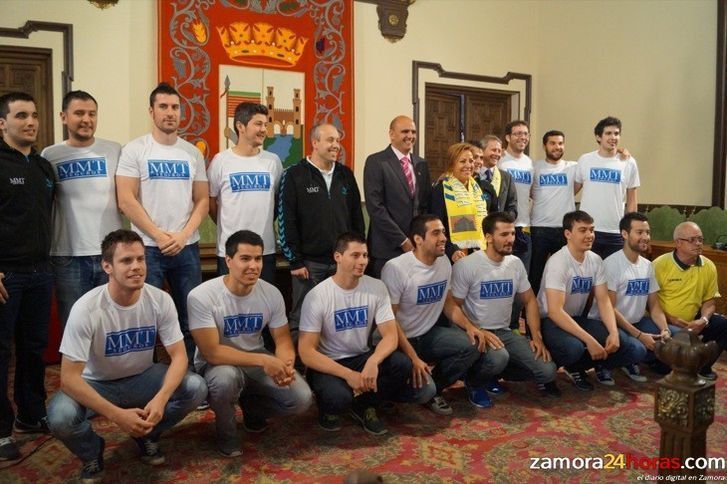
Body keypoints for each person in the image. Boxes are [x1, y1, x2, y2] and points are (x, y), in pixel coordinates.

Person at [46, 230, 207, 482]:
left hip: (142, 377)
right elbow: (68, 379)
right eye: (126, 261)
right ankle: (92, 452)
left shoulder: (160, 300)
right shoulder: (86, 308)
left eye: (141, 259)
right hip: (96, 383)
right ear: (107, 266)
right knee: (60, 417)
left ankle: (146, 433)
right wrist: (117, 415)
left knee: (196, 387)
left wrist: (161, 399)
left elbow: (179, 357)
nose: (136, 267)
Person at [188, 230, 312, 457]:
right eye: (245, 259)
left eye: (258, 259)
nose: (253, 265)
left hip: (255, 361)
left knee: (301, 399)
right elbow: (212, 352)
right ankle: (227, 434)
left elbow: (283, 338)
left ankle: (252, 409)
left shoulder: (271, 293)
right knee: (225, 380)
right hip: (217, 365)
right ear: (228, 261)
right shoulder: (201, 296)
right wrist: (265, 360)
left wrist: (285, 363)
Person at [298, 233, 430, 435]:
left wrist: (373, 361)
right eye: (355, 255)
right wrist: (348, 375)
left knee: (402, 365)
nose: (362, 261)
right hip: (330, 364)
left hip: (362, 356)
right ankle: (331, 406)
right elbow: (306, 352)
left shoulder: (376, 287)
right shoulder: (318, 295)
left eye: (365, 256)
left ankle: (366, 405)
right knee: (338, 398)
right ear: (338, 257)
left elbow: (390, 335)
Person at [116, 82, 208, 363]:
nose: (170, 113)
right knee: (147, 317)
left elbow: (202, 200)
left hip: (186, 248)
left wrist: (182, 236)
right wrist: (158, 235)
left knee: (191, 316)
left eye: (175, 107)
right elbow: (126, 199)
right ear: (151, 111)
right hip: (147, 249)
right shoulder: (135, 150)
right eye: (163, 107)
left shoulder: (192, 153)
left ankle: (193, 374)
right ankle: (148, 375)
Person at [451, 212, 560, 402]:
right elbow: (453, 306)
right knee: (498, 357)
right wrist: (475, 330)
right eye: (504, 235)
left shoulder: (515, 263)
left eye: (512, 234)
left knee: (547, 371)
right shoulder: (468, 265)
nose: (510, 239)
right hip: (476, 332)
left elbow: (530, 300)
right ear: (488, 237)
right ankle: (474, 381)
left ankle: (492, 373)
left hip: (504, 332)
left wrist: (536, 337)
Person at [380, 214, 482, 415]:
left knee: (472, 344)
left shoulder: (443, 261)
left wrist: (470, 327)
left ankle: (436, 386)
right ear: (418, 239)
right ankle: (389, 394)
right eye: (436, 233)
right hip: (398, 341)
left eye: (443, 232)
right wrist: (413, 356)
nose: (443, 237)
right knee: (422, 391)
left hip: (427, 336)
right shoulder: (396, 268)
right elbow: (389, 321)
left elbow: (448, 303)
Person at [0, 92, 55, 461]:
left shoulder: (42, 167)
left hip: (40, 273)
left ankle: (32, 414)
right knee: (0, 354)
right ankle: (1, 432)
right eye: (21, 115)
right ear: (2, 123)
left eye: (34, 115)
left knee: (34, 351)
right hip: (6, 276)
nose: (30, 122)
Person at [538, 210, 645, 391]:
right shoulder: (559, 262)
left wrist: (613, 332)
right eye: (583, 230)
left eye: (592, 230)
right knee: (574, 348)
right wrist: (590, 340)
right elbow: (555, 311)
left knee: (633, 348)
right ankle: (554, 365)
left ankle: (581, 365)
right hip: (551, 322)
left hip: (576, 319)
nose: (589, 235)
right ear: (568, 234)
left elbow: (604, 301)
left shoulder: (595, 260)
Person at [42, 90, 123, 327]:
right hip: (68, 255)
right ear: (63, 117)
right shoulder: (50, 155)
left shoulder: (115, 150)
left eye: (92, 114)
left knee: (111, 323)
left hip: (110, 253)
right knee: (75, 325)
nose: (86, 119)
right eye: (79, 113)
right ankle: (78, 367)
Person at [279, 123, 365, 332]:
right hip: (308, 265)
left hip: (342, 263)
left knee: (338, 318)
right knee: (303, 319)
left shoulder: (346, 174)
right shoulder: (294, 175)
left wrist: (357, 255)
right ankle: (299, 363)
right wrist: (295, 261)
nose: (336, 145)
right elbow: (286, 220)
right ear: (315, 143)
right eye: (330, 140)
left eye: (337, 140)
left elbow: (357, 219)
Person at [588, 212, 678, 382]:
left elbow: (655, 306)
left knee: (677, 336)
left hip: (637, 322)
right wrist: (639, 335)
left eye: (648, 232)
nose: (645, 237)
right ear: (624, 234)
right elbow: (610, 309)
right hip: (608, 324)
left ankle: (629, 358)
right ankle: (605, 364)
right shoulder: (611, 264)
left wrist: (665, 329)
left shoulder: (647, 266)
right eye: (639, 232)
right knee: (638, 349)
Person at [207, 102, 283, 283]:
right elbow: (211, 202)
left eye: (265, 124)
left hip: (265, 251)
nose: (264, 129)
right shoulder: (221, 161)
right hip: (231, 252)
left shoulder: (273, 161)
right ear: (240, 126)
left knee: (264, 306)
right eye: (258, 124)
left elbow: (278, 201)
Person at [653, 221, 727, 380]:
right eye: (692, 240)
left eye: (700, 239)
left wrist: (704, 320)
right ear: (678, 243)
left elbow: (709, 302)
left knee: (723, 324)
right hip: (665, 322)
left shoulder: (709, 266)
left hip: (694, 320)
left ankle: (702, 367)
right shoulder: (660, 265)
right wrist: (670, 319)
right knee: (663, 368)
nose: (698, 244)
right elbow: (649, 302)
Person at [364, 115, 431, 278]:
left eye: (413, 132)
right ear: (391, 134)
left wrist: (419, 239)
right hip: (387, 250)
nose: (410, 136)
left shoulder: (421, 164)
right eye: (405, 131)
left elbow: (424, 205)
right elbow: (375, 207)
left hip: (416, 249)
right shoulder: (376, 162)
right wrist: (402, 241)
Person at [575, 116, 639, 259]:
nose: (613, 137)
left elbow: (632, 200)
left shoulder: (628, 162)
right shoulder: (585, 160)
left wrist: (630, 229)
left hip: (615, 231)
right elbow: (571, 190)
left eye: (616, 134)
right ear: (598, 137)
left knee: (614, 278)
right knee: (588, 277)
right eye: (608, 133)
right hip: (588, 230)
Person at [529, 130, 576, 294]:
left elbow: (575, 189)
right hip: (539, 228)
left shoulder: (573, 167)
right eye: (553, 143)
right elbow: (528, 191)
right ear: (545, 146)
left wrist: (621, 152)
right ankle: (531, 317)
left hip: (565, 230)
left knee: (563, 275)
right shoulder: (535, 167)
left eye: (560, 143)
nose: (557, 147)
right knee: (535, 274)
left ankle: (558, 313)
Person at [430, 142, 488, 263]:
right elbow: (436, 227)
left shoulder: (478, 189)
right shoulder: (441, 190)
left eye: (471, 161)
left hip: (479, 252)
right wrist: (452, 251)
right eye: (462, 161)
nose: (468, 165)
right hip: (452, 255)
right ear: (452, 165)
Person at [497, 120, 533, 273]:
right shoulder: (499, 159)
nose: (522, 137)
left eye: (525, 134)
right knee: (501, 273)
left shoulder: (529, 163)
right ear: (507, 137)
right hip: (503, 227)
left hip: (523, 227)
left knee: (522, 277)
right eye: (518, 134)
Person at [471, 136, 517, 220]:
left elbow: (512, 206)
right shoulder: (471, 174)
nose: (497, 154)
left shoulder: (506, 177)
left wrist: (504, 220)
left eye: (499, 151)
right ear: (482, 150)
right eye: (494, 150)